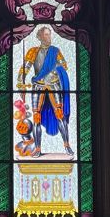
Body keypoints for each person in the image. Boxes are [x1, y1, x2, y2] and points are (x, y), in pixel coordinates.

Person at [17, 26, 73, 156]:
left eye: (49, 35)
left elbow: (64, 65)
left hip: (54, 85)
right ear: (40, 37)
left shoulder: (55, 51)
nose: (49, 37)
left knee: (60, 115)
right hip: (38, 85)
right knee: (36, 116)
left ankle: (67, 145)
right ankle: (37, 148)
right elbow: (24, 68)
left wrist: (54, 70)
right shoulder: (33, 51)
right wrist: (20, 83)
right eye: (46, 35)